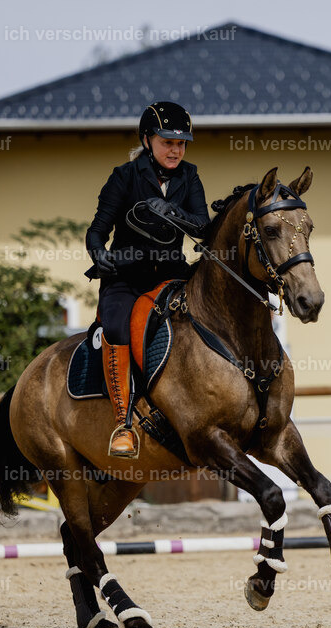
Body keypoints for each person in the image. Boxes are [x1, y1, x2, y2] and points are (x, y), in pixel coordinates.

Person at [86, 102, 209, 458]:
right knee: (117, 328)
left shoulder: (190, 176)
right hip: (126, 276)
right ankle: (123, 424)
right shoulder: (124, 176)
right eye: (167, 141)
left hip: (172, 274)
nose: (175, 150)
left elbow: (202, 226)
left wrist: (170, 210)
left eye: (181, 143)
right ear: (147, 140)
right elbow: (96, 232)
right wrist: (100, 257)